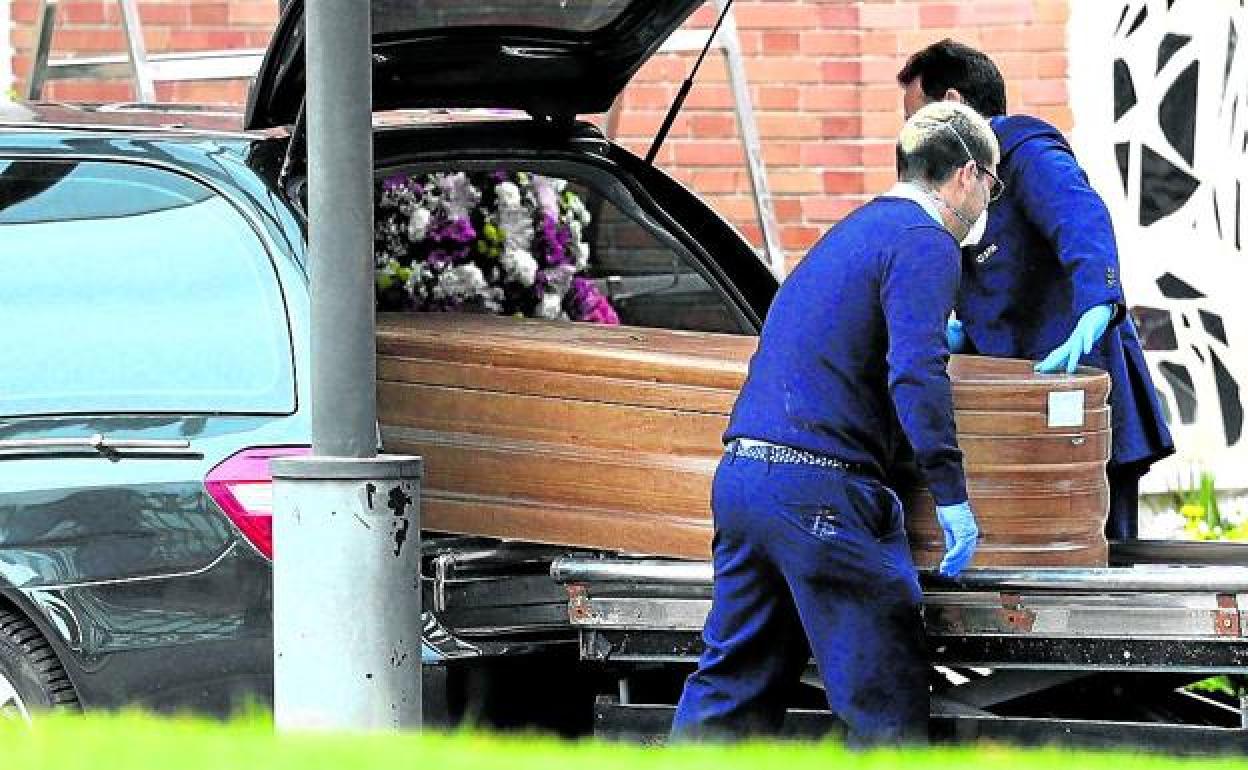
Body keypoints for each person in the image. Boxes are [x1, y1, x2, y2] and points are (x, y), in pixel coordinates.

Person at [670, 101, 996, 747]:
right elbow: (916, 372)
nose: (990, 201)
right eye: (993, 184)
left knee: (734, 686)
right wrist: (951, 494)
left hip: (744, 483)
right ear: (966, 174)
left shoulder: (854, 230)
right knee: (883, 705)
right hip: (821, 497)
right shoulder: (927, 241)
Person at [897, 40, 1175, 541]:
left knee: (1099, 557)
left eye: (916, 119)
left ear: (954, 105)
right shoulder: (957, 185)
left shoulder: (1025, 153)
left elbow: (1082, 219)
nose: (911, 140)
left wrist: (1097, 303)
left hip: (1085, 393)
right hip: (1025, 409)